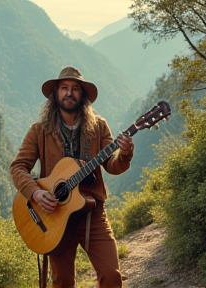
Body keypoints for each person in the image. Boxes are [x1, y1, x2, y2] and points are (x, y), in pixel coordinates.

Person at [10, 67, 134, 288]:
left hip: (92, 213)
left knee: (112, 276)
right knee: (63, 282)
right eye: (64, 88)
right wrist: (35, 193)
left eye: (75, 88)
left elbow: (112, 166)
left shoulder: (99, 127)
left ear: (82, 95)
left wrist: (125, 153)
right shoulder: (38, 130)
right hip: (54, 214)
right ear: (56, 94)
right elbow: (18, 167)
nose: (69, 93)